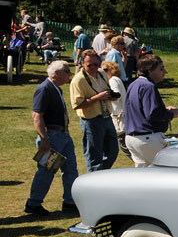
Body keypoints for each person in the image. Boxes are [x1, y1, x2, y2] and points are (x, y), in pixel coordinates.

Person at [24, 60, 79, 216]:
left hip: (63, 135)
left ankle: (69, 202)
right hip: (53, 136)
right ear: (56, 73)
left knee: (70, 170)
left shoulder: (56, 89)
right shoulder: (44, 89)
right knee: (47, 171)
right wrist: (44, 138)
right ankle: (33, 203)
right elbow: (37, 115)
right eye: (67, 71)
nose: (69, 74)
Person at [124, 55, 178, 167]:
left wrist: (163, 109)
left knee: (144, 175)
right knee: (170, 168)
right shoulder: (148, 86)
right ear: (150, 71)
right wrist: (172, 114)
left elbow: (140, 110)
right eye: (161, 68)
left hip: (132, 138)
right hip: (147, 138)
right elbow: (152, 114)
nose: (165, 71)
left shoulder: (134, 84)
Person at [70, 50, 119, 171]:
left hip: (107, 117)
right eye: (89, 65)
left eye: (95, 64)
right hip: (91, 120)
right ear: (82, 63)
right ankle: (94, 178)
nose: (93, 67)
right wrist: (98, 97)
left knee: (113, 151)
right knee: (94, 156)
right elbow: (77, 104)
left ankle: (100, 174)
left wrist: (112, 96)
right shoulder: (78, 80)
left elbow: (107, 91)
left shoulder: (102, 73)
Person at [102, 60, 129, 155]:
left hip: (119, 117)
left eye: (105, 70)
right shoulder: (117, 79)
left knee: (124, 146)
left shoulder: (113, 80)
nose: (102, 72)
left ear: (112, 70)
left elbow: (117, 95)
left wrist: (103, 97)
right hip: (122, 115)